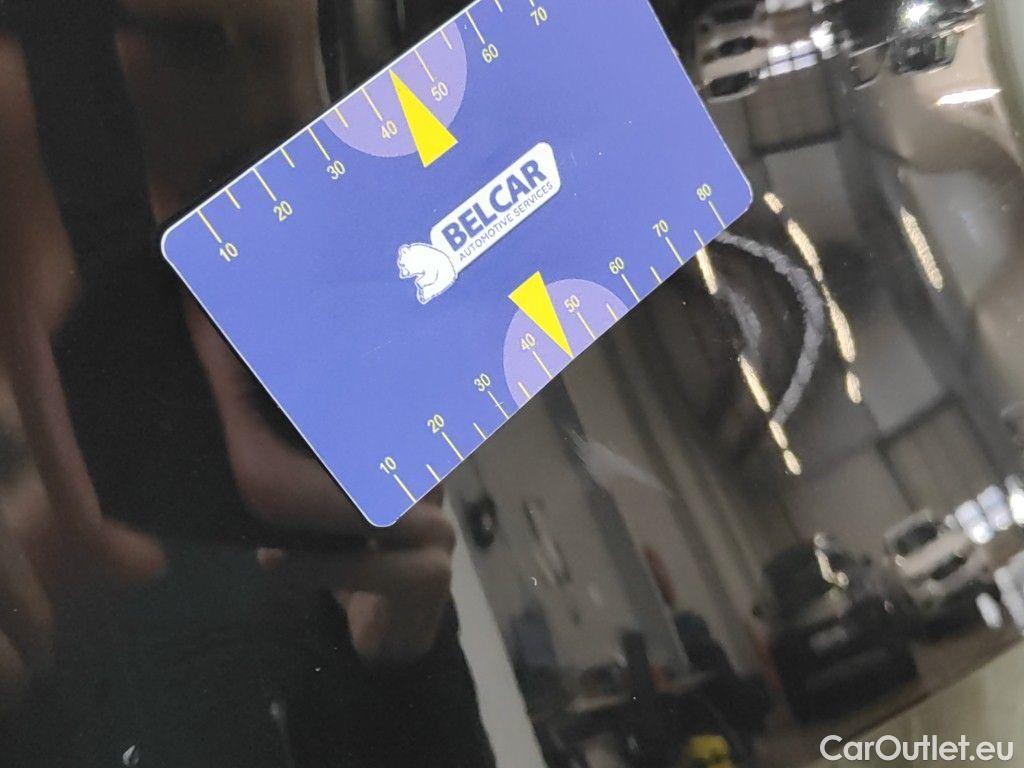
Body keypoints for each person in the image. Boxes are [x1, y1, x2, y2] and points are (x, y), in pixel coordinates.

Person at [0, 1, 495, 765]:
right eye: (200, 48)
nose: (301, 131)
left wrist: (399, 667)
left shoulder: (283, 412)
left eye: (309, 61)